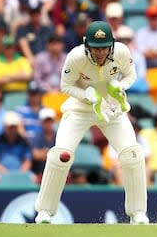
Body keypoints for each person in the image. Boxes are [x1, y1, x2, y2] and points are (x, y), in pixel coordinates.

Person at [34, 21, 149, 224]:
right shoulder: (76, 57)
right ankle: (44, 211)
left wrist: (120, 86)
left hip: (112, 107)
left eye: (104, 47)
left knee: (132, 154)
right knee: (61, 155)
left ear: (112, 44)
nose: (100, 53)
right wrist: (88, 95)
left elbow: (132, 75)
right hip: (80, 108)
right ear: (87, 45)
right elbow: (65, 86)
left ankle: (137, 213)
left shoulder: (121, 52)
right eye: (95, 48)